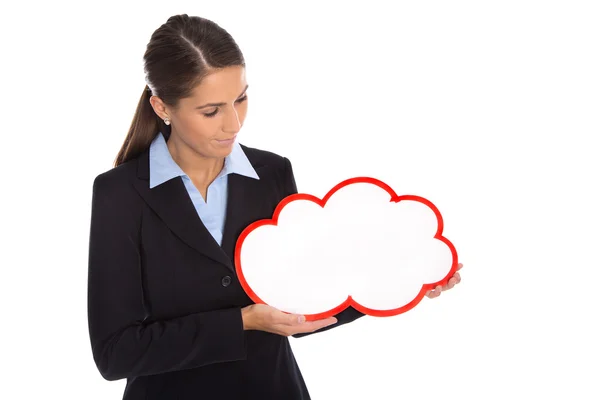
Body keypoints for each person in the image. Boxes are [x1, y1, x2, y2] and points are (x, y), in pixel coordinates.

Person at [87, 14, 462, 400]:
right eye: (211, 111)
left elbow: (304, 303)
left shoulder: (272, 173)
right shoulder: (121, 194)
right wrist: (243, 322)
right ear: (163, 107)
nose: (233, 123)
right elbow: (116, 353)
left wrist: (401, 279)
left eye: (241, 99)